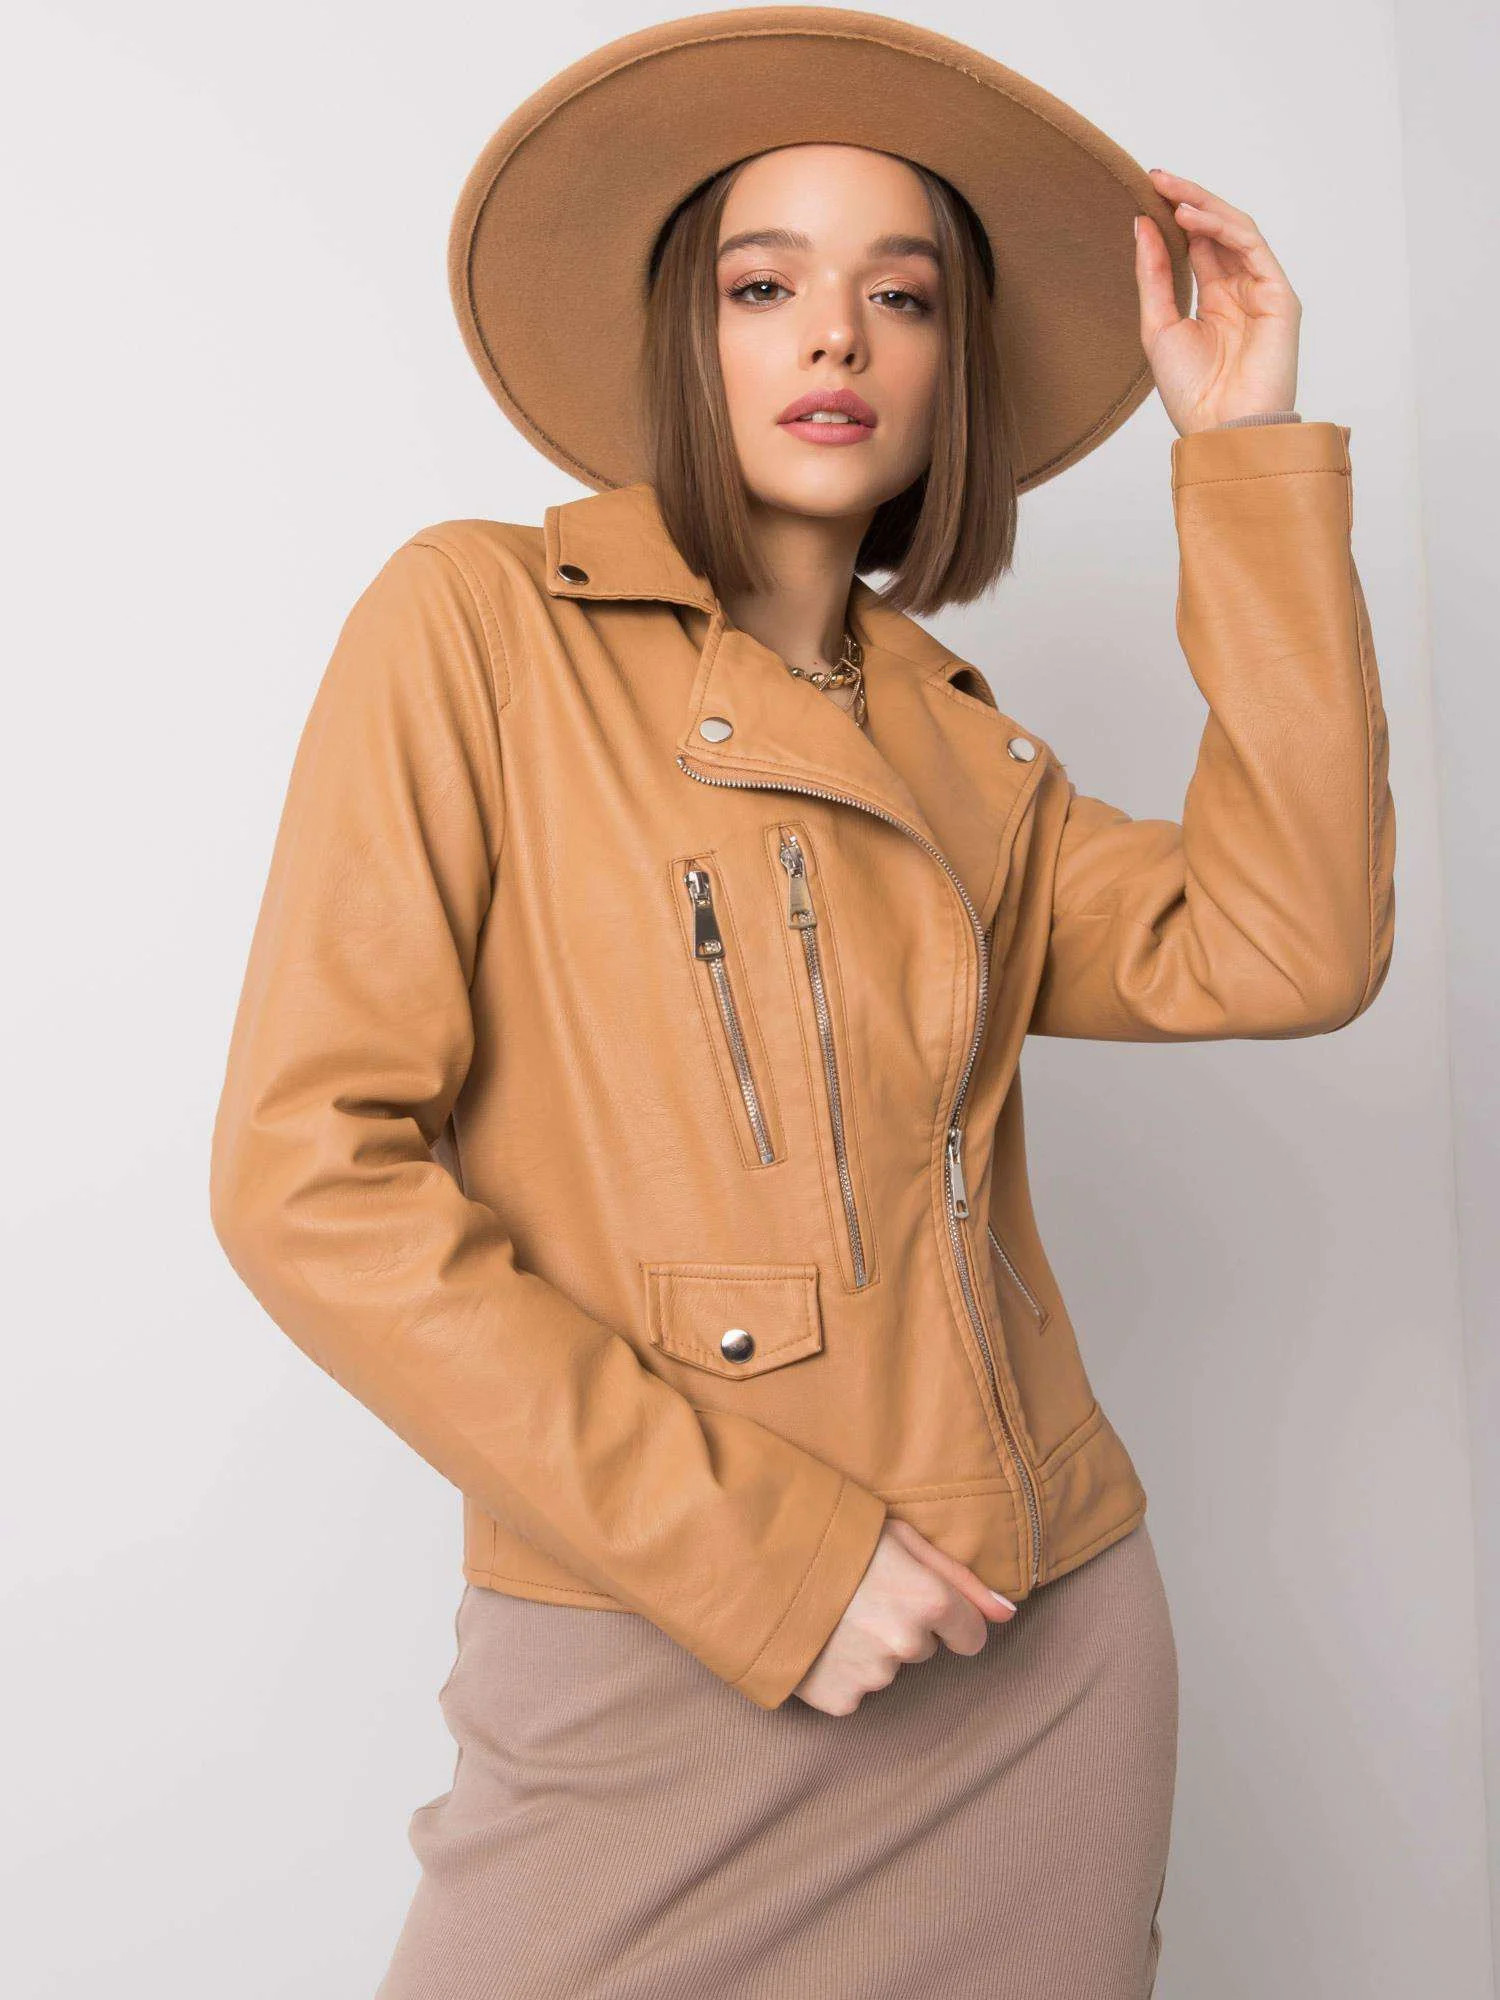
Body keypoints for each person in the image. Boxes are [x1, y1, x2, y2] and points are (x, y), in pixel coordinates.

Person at [207, 8, 1396, 1995]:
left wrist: (1246, 456)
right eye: (765, 286)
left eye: (900, 296)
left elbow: (1292, 944)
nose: (835, 336)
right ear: (686, 337)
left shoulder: (964, 752)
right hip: (650, 1650)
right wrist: (764, 1554)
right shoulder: (477, 626)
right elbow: (306, 1181)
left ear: (949, 368)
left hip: (1037, 1648)